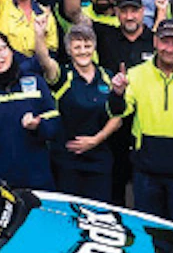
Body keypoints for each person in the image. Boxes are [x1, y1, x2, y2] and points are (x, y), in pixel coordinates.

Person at [109, 18, 173, 225]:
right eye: (165, 42)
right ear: (155, 42)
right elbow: (118, 111)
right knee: (149, 235)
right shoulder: (136, 74)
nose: (170, 48)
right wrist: (117, 94)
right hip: (146, 172)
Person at [0, 31, 62, 190]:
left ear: (11, 50)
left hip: (38, 181)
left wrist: (38, 126)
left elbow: (55, 127)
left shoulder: (35, 82)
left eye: (1, 50)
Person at [50, 23, 121, 201]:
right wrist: (38, 34)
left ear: (94, 47)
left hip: (99, 161)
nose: (83, 51)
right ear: (69, 50)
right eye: (77, 47)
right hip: (67, 161)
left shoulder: (107, 76)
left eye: (87, 45)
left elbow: (117, 117)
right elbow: (44, 60)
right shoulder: (62, 76)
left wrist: (95, 140)